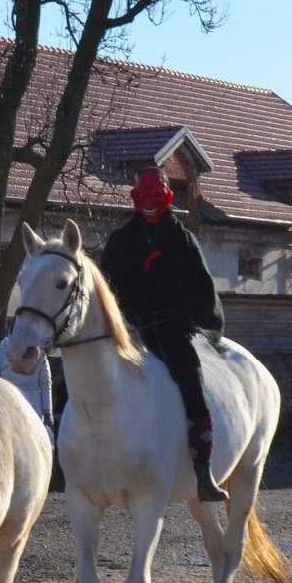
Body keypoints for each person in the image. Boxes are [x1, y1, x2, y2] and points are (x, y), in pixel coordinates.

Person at [98, 167, 227, 502]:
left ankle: (203, 470)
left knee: (191, 378)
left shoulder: (183, 240)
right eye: (143, 197)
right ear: (135, 199)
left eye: (156, 197)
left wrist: (179, 314)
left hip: (170, 331)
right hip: (127, 331)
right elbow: (105, 288)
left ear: (167, 197)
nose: (149, 203)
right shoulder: (120, 241)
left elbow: (202, 289)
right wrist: (121, 318)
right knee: (78, 379)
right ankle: (66, 456)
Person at [0, 334, 54, 431]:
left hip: (33, 411)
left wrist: (48, 412)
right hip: (6, 406)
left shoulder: (41, 357)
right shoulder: (1, 353)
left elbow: (45, 384)